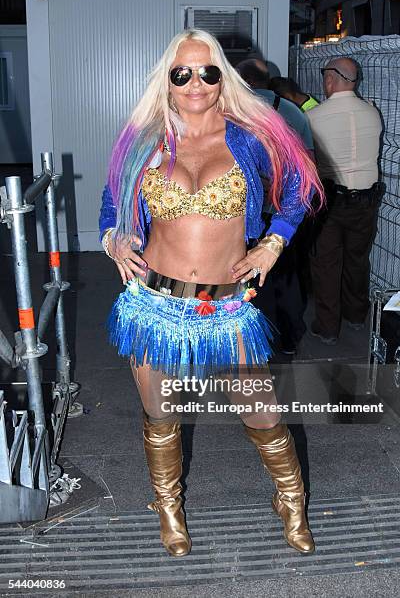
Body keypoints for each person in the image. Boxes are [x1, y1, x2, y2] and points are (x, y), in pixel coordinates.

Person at [99, 29, 322, 557]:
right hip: (154, 302)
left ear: (223, 77)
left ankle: (291, 500)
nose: (195, 83)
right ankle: (169, 509)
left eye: (207, 72)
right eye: (182, 74)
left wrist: (273, 243)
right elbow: (112, 204)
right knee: (160, 413)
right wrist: (114, 239)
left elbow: (301, 186)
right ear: (167, 82)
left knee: (260, 411)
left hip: (226, 304)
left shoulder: (252, 135)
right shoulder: (143, 139)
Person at [236, 58, 314, 354]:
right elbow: (308, 164)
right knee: (288, 275)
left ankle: (254, 341)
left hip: (248, 212)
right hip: (286, 209)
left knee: (250, 277)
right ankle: (289, 338)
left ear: (242, 81)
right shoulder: (292, 111)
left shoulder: (234, 113)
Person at [305, 57, 383, 344]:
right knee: (357, 259)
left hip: (330, 201)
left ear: (331, 80)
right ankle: (355, 316)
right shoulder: (373, 114)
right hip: (365, 201)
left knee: (326, 263)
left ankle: (327, 328)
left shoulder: (313, 118)